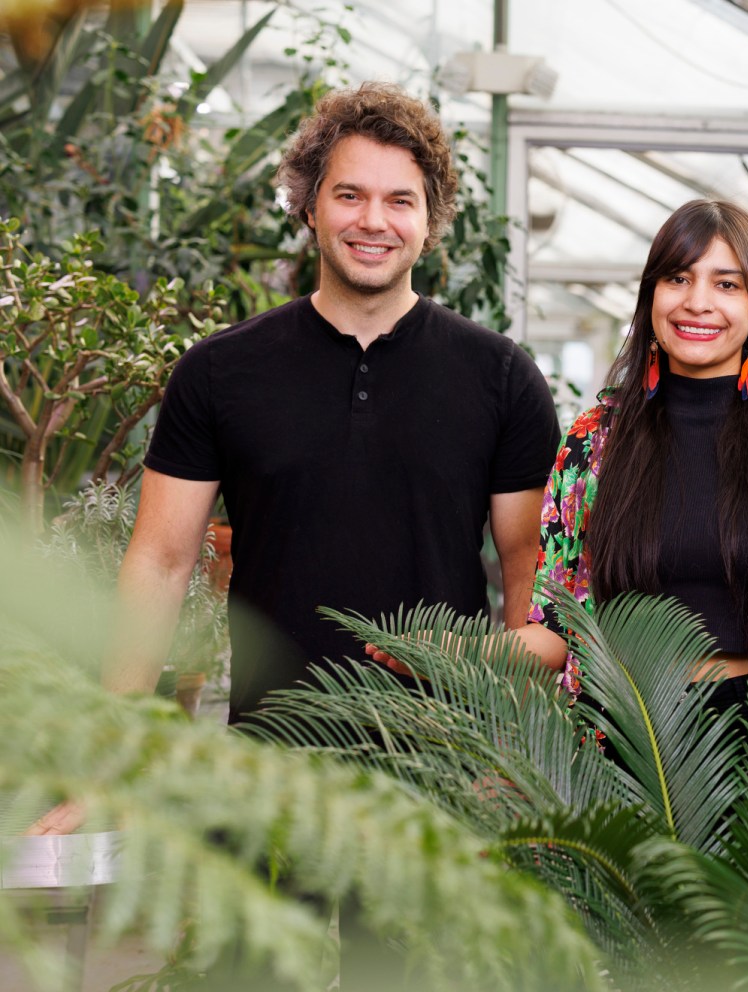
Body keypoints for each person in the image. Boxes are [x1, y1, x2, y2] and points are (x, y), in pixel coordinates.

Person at [28, 83, 558, 838]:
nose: (373, 221)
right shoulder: (220, 373)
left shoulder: (500, 378)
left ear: (430, 221)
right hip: (264, 766)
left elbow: (525, 570)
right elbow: (160, 562)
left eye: (400, 201)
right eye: (349, 195)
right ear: (309, 206)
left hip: (444, 775)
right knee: (250, 961)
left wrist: (517, 757)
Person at [499, 199, 748, 705]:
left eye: (726, 284)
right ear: (650, 295)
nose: (697, 302)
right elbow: (554, 627)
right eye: (677, 278)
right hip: (623, 735)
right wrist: (463, 652)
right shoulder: (593, 442)